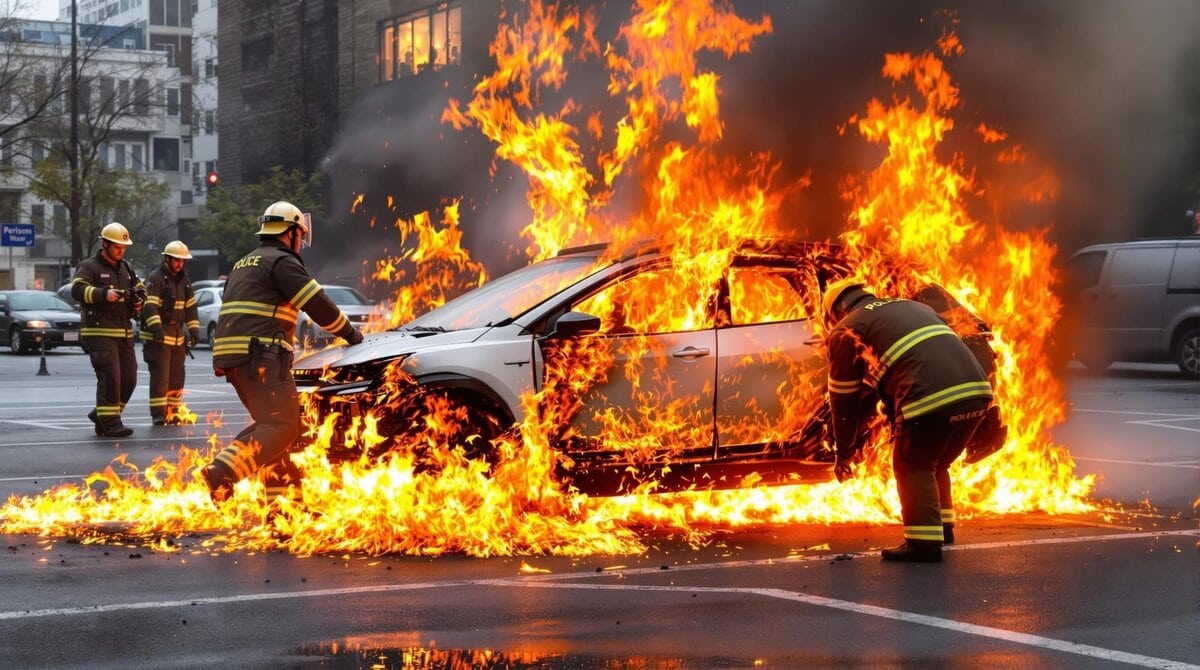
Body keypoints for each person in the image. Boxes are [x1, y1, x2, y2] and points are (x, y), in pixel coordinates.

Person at [821, 278, 993, 562]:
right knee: (936, 462)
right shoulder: (913, 307)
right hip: (977, 393)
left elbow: (844, 402)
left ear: (837, 310)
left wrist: (844, 452)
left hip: (930, 397)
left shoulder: (846, 329)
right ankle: (942, 527)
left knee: (911, 463)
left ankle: (922, 544)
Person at [201, 201, 364, 500]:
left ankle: (281, 505)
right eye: (299, 235)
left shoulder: (245, 262)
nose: (301, 241)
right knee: (284, 426)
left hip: (236, 359)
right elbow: (316, 303)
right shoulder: (281, 261)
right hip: (261, 358)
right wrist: (351, 333)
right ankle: (222, 472)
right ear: (289, 233)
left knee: (272, 431)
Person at [71, 222, 147, 438]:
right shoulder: (90, 266)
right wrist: (103, 294)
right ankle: (111, 423)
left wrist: (138, 300)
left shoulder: (126, 267)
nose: (121, 251)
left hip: (124, 331)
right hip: (99, 332)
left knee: (129, 380)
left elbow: (141, 287)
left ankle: (102, 416)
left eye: (123, 247)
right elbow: (76, 290)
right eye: (116, 247)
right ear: (104, 244)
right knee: (111, 377)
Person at [140, 241, 200, 425]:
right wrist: (157, 329)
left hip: (177, 336)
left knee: (177, 377)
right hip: (158, 338)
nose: (180, 264)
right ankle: (159, 414)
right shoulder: (156, 278)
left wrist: (194, 330)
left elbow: (190, 308)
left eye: (182, 261)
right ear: (167, 259)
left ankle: (174, 411)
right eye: (176, 260)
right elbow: (149, 307)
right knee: (161, 377)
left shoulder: (184, 280)